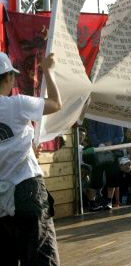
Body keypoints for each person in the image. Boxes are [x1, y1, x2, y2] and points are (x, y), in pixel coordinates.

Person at [0, 52, 62, 266]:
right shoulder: (17, 104)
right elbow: (55, 103)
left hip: (1, 200)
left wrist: (22, 149)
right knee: (40, 260)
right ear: (8, 77)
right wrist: (48, 71)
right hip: (26, 191)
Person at [85, 119, 124, 211]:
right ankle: (92, 203)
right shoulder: (95, 117)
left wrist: (112, 143)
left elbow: (120, 136)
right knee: (96, 178)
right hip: (98, 152)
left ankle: (109, 201)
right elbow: (92, 132)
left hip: (112, 152)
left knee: (112, 178)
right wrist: (100, 144)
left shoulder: (116, 118)